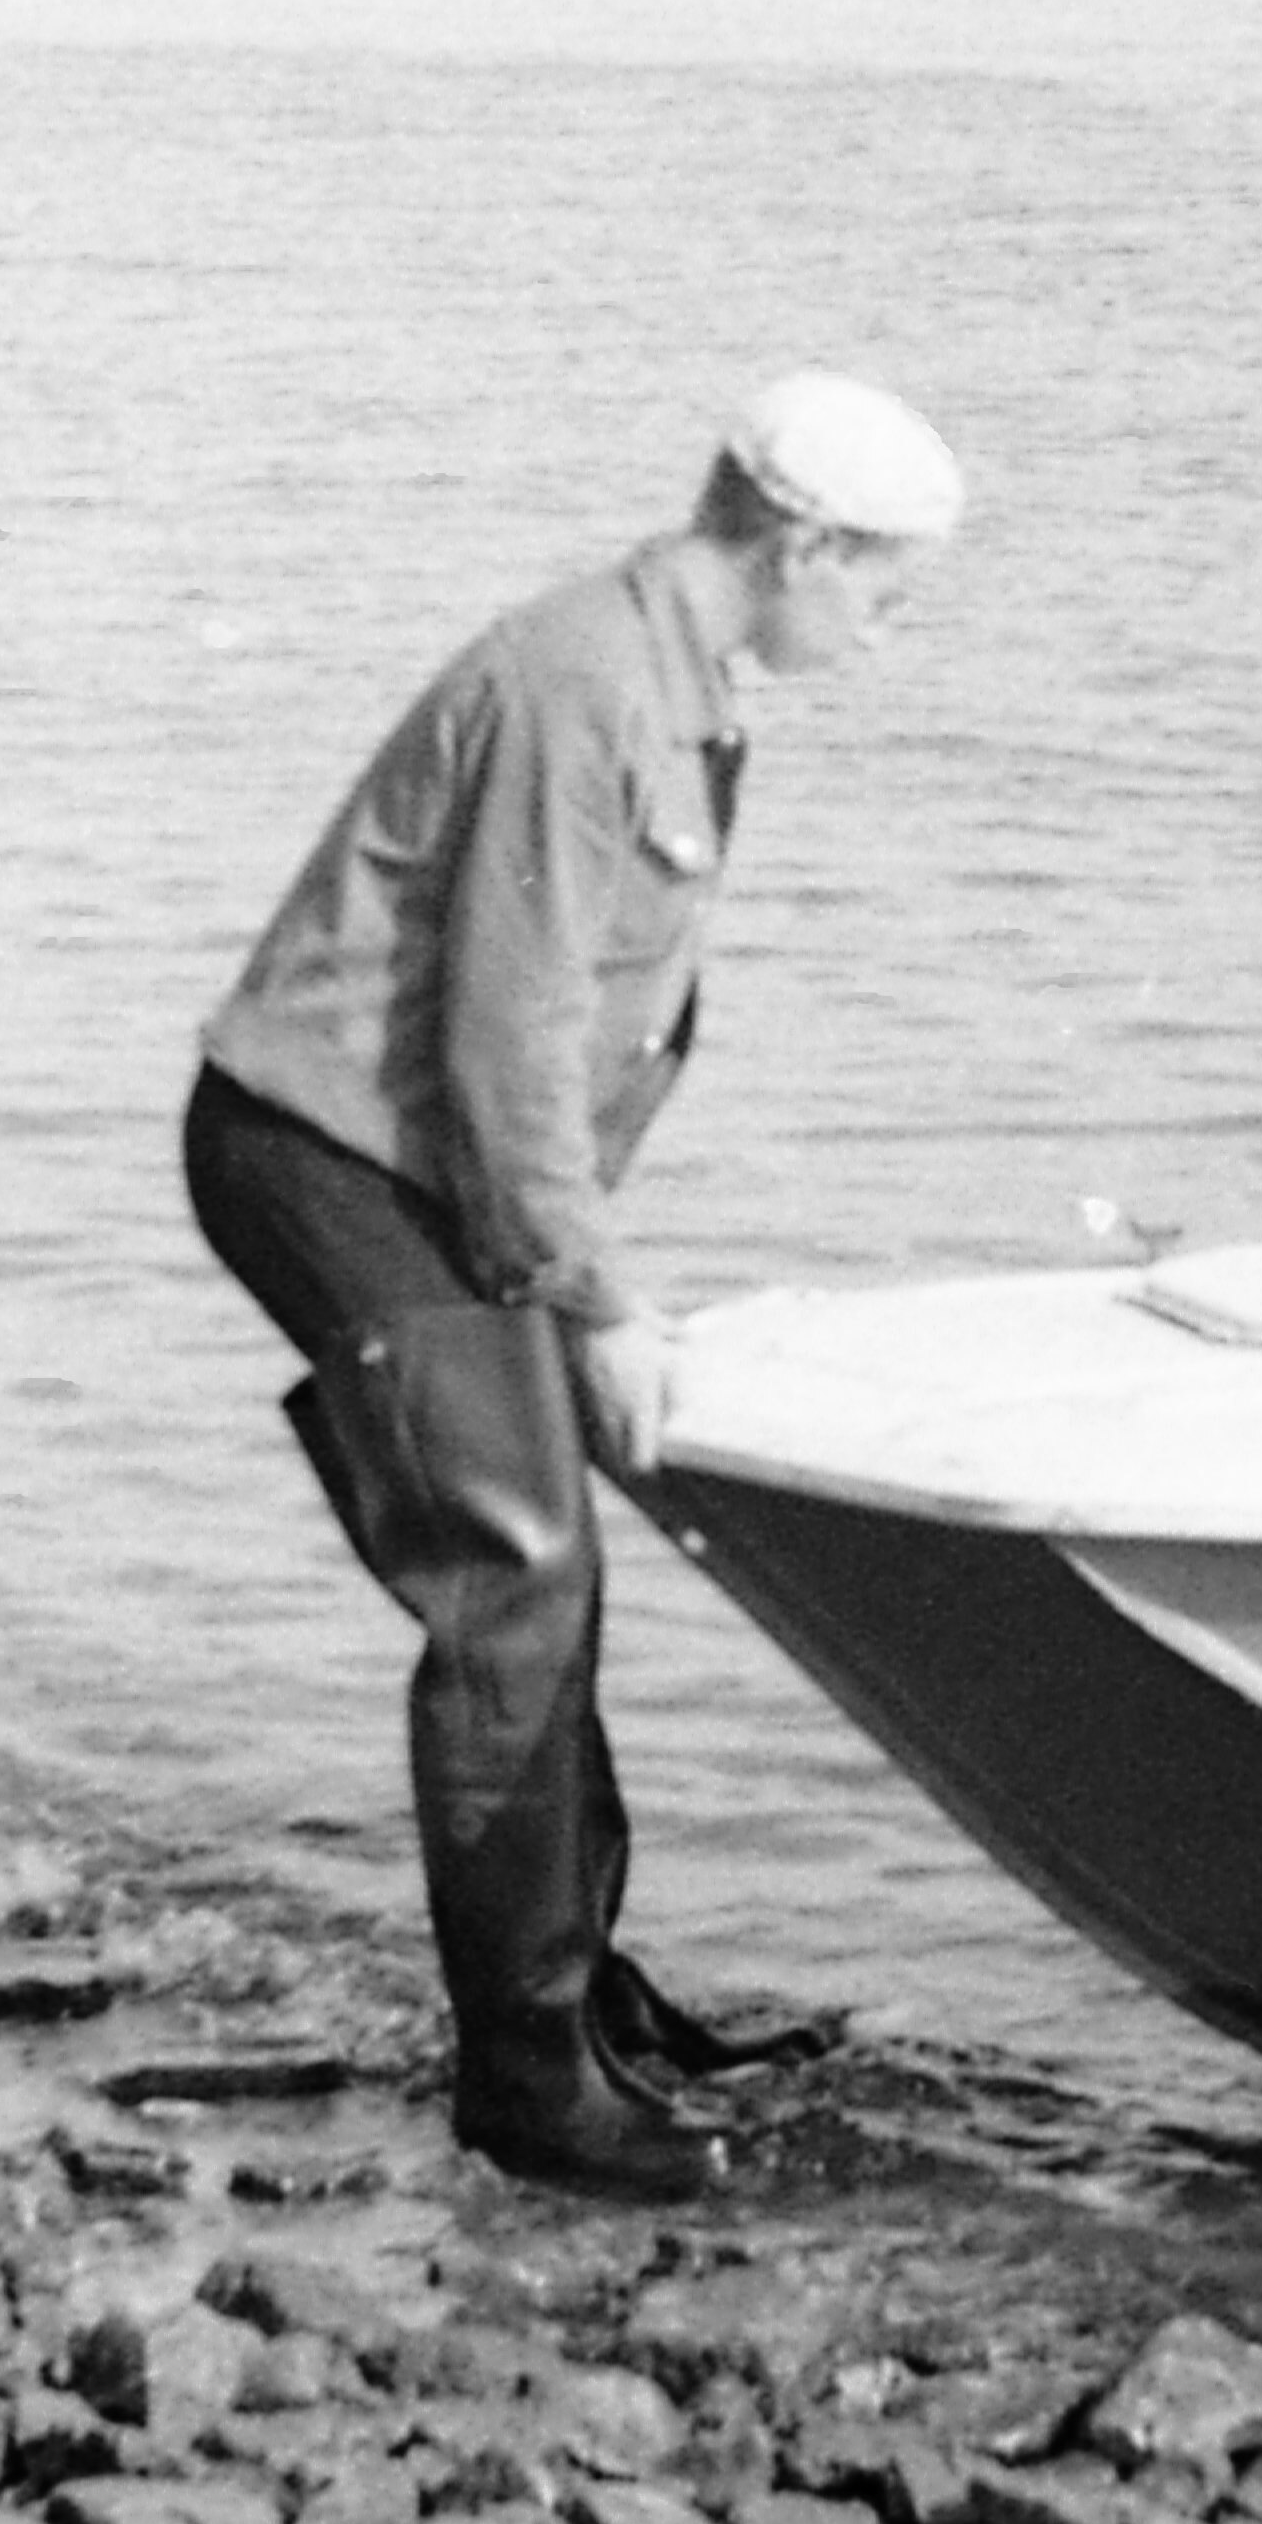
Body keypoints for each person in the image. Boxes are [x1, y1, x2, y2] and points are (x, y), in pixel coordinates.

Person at [185, 370, 964, 2198]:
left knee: (540, 1562)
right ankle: (530, 2087)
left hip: (435, 1166)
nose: (890, 625)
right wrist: (593, 1307)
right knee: (511, 1580)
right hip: (328, 1155)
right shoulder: (586, 688)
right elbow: (511, 1036)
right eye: (886, 585)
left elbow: (555, 1054)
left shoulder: (674, 687)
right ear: (804, 545)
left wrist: (579, 1284)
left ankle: (586, 2006)